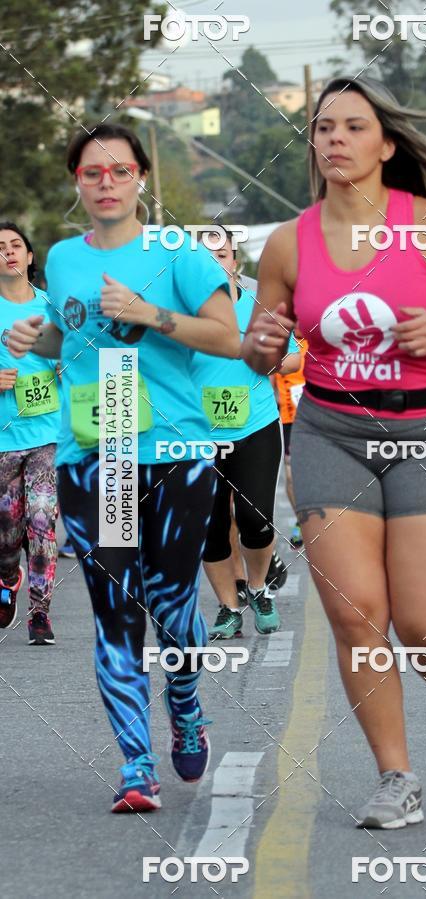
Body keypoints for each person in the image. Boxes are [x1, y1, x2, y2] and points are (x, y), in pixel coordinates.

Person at [242, 75, 426, 828]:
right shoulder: (288, 243)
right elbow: (262, 353)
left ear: (387, 145)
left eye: (354, 126)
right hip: (332, 433)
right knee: (356, 613)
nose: (335, 138)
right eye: (323, 127)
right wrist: (260, 343)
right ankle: (397, 776)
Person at [7, 123, 240, 814]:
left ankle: (185, 700)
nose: (105, 183)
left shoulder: (178, 251)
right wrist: (36, 339)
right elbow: (67, 336)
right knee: (115, 608)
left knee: (172, 603)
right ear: (77, 183)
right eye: (91, 172)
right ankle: (136, 765)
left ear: (141, 177)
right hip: (97, 455)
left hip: (175, 453)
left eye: (119, 170)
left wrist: (152, 315)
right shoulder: (62, 257)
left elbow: (227, 337)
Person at [192, 231, 300, 640]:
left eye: (221, 255)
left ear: (234, 262)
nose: (214, 263)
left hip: (255, 426)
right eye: (205, 256)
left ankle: (258, 589)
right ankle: (228, 607)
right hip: (197, 433)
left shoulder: (259, 306)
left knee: (255, 519)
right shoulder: (181, 312)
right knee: (211, 526)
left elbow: (294, 357)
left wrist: (274, 361)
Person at [0, 223, 61, 644]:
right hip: (3, 438)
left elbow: (79, 356)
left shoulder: (52, 308)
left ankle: (40, 613)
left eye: (15, 245)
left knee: (41, 516)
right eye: (0, 247)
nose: (8, 252)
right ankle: (8, 576)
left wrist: (65, 367)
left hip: (47, 434)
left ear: (29, 255)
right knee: (6, 529)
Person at [274, 333, 308, 548]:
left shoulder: (321, 334)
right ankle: (302, 520)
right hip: (291, 417)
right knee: (291, 475)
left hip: (321, 414)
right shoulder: (282, 337)